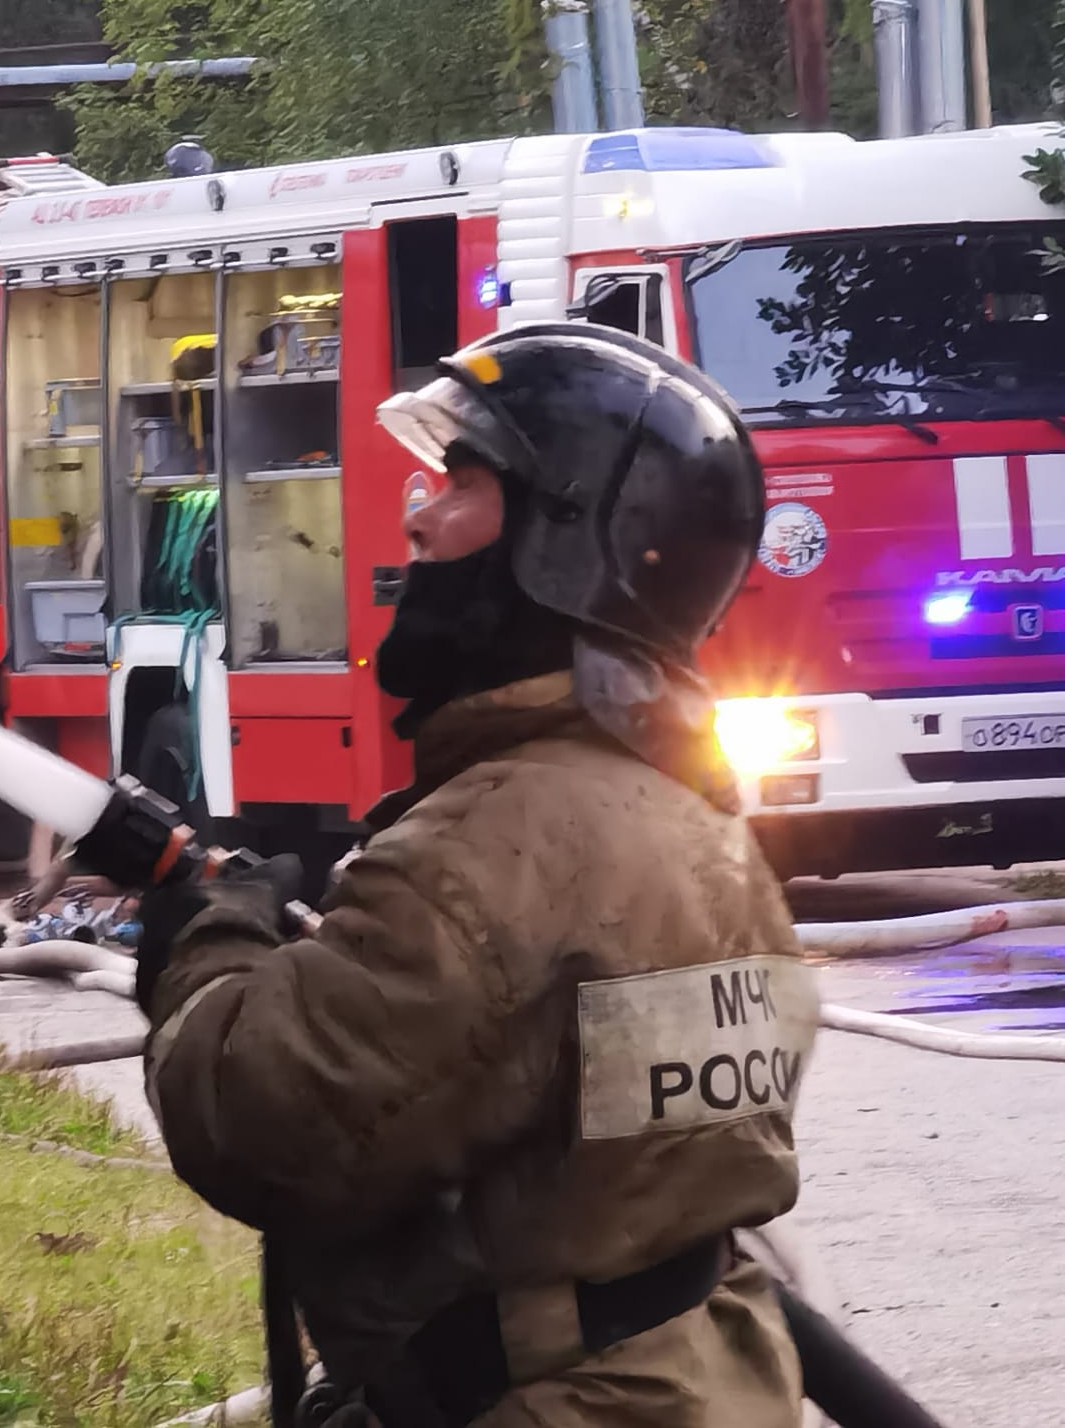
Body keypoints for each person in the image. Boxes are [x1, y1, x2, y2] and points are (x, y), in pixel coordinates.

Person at [130, 325, 818, 1428]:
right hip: (690, 1375)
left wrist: (207, 937)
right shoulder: (700, 828)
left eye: (461, 481)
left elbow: (260, 1124)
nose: (415, 515)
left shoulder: (493, 844)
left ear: (570, 538)